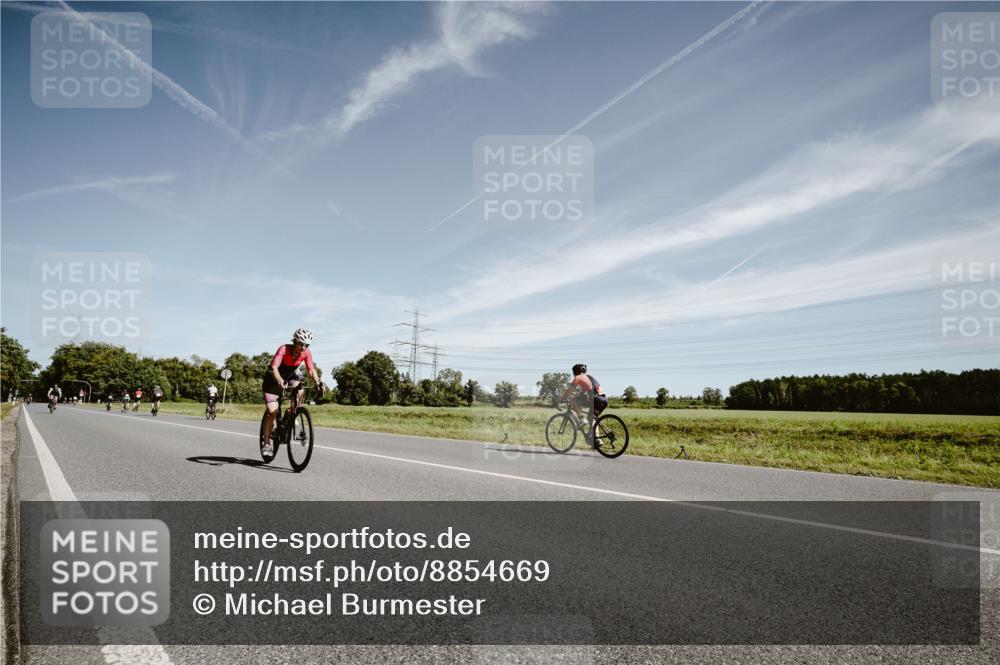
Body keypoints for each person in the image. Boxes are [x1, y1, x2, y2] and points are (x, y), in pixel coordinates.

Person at [260, 328, 322, 455]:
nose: (303, 347)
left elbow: (311, 370)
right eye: (301, 344)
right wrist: (280, 381)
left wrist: (318, 383)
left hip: (289, 376)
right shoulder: (284, 349)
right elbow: (274, 367)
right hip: (272, 379)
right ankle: (266, 443)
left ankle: (292, 411)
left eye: (307, 345)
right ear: (294, 341)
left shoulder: (306, 353)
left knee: (300, 388)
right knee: (272, 412)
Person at [559, 364, 608, 443]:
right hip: (603, 399)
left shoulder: (578, 377)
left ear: (575, 372)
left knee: (572, 399)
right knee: (592, 418)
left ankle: (581, 419)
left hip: (595, 399)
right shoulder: (588, 378)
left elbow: (569, 390)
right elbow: (583, 393)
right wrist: (578, 400)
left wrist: (562, 399)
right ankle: (597, 439)